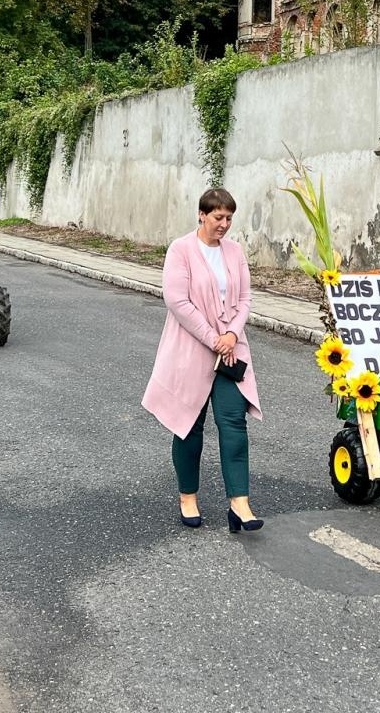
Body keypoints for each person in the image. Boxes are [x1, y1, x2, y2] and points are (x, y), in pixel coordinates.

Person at [143, 188, 264, 532]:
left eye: (229, 218)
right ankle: (188, 497)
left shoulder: (235, 252)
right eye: (218, 217)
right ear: (201, 215)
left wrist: (231, 336)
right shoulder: (181, 250)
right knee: (188, 426)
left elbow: (244, 299)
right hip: (192, 350)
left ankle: (239, 503)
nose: (224, 224)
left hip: (229, 352)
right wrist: (214, 339)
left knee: (234, 425)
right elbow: (177, 302)